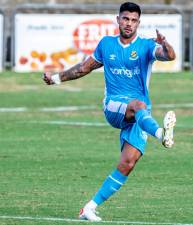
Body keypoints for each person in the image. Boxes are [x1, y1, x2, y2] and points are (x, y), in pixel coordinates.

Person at [43, 2, 176, 222]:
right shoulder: (106, 44)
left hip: (140, 116)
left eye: (133, 20)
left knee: (127, 163)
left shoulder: (145, 46)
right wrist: (56, 79)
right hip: (114, 106)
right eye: (125, 19)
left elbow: (169, 55)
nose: (129, 24)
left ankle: (89, 208)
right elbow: (83, 68)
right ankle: (162, 135)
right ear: (118, 19)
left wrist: (166, 43)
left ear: (138, 23)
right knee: (138, 105)